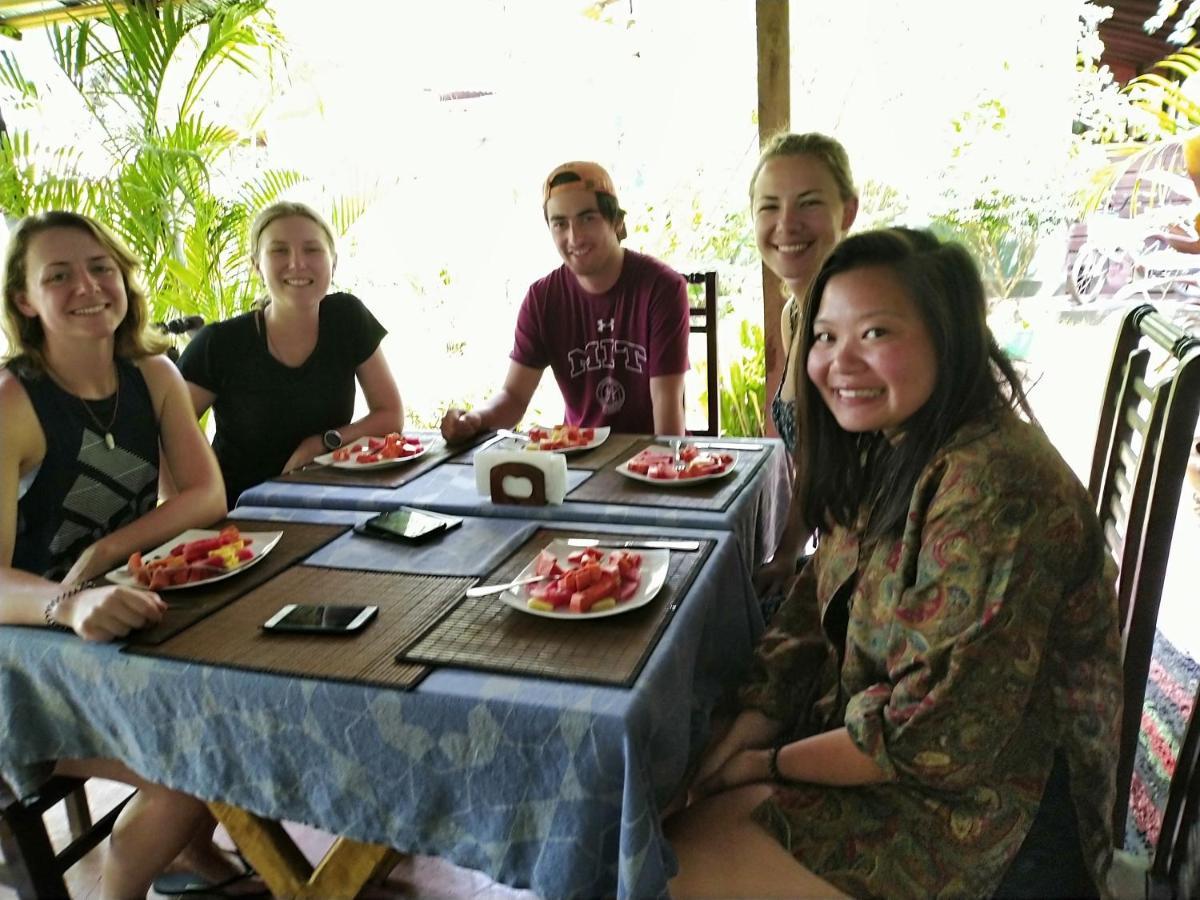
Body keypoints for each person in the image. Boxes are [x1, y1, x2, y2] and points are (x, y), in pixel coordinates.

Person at [665, 228, 1122, 898]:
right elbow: (809, 606)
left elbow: (932, 734)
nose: (840, 361)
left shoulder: (996, 484)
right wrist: (744, 735)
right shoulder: (892, 443)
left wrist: (764, 762)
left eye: (876, 333)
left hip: (995, 816)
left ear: (950, 336)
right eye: (824, 336)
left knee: (674, 865)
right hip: (886, 754)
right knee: (677, 787)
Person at [0, 210, 247, 898]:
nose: (87, 286)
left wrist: (110, 548)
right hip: (25, 655)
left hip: (129, 612)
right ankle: (121, 887)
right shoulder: (13, 404)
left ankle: (182, 852)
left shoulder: (152, 374)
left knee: (255, 697)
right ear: (26, 300)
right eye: (58, 275)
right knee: (207, 753)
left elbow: (207, 495)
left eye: (100, 267)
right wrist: (68, 603)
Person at [440, 161, 690, 441]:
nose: (574, 237)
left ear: (617, 221)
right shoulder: (542, 299)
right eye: (560, 224)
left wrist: (664, 471)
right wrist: (476, 418)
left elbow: (667, 413)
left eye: (587, 218)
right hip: (577, 457)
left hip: (646, 457)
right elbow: (513, 397)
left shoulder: (662, 288)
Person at [178, 201, 403, 507]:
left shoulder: (346, 317)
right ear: (257, 265)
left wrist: (323, 442)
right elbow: (166, 436)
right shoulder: (220, 343)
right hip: (240, 519)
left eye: (312, 250)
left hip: (329, 502)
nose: (297, 263)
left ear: (333, 262)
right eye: (280, 250)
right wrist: (192, 503)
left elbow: (390, 415)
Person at [749, 132, 859, 600]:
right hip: (836, 549)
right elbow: (813, 458)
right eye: (769, 207)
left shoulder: (857, 317)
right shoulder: (795, 315)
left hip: (878, 560)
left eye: (808, 203)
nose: (786, 224)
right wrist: (788, 552)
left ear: (847, 212)